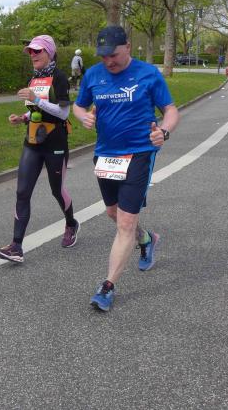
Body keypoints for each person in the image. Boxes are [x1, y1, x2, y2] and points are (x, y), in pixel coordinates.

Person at [73, 26, 179, 312]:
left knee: (125, 223)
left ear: (128, 47)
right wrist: (83, 117)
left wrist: (164, 132)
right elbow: (78, 106)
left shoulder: (148, 74)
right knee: (113, 213)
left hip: (139, 153)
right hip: (106, 155)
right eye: (103, 56)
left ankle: (107, 286)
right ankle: (147, 239)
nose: (109, 61)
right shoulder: (93, 75)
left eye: (114, 55)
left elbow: (170, 109)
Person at [0, 34, 79, 263]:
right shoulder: (34, 77)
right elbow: (35, 109)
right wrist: (22, 117)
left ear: (49, 53)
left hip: (55, 143)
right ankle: (16, 246)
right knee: (22, 192)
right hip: (32, 141)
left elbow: (63, 113)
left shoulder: (59, 77)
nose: (32, 55)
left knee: (56, 190)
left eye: (37, 51)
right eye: (30, 52)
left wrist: (37, 100)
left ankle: (71, 224)